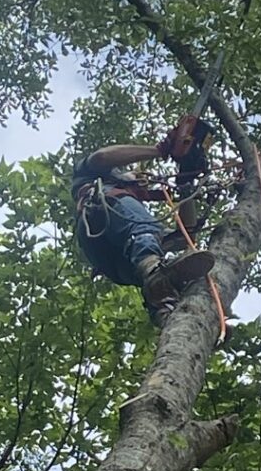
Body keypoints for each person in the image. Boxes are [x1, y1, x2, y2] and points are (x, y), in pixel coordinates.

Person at [72, 135, 214, 327]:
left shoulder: (131, 212)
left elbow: (185, 238)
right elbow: (102, 157)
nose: (141, 181)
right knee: (146, 232)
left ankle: (174, 314)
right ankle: (152, 270)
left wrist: (186, 188)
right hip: (99, 215)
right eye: (135, 177)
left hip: (120, 265)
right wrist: (160, 150)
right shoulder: (92, 175)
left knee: (159, 257)